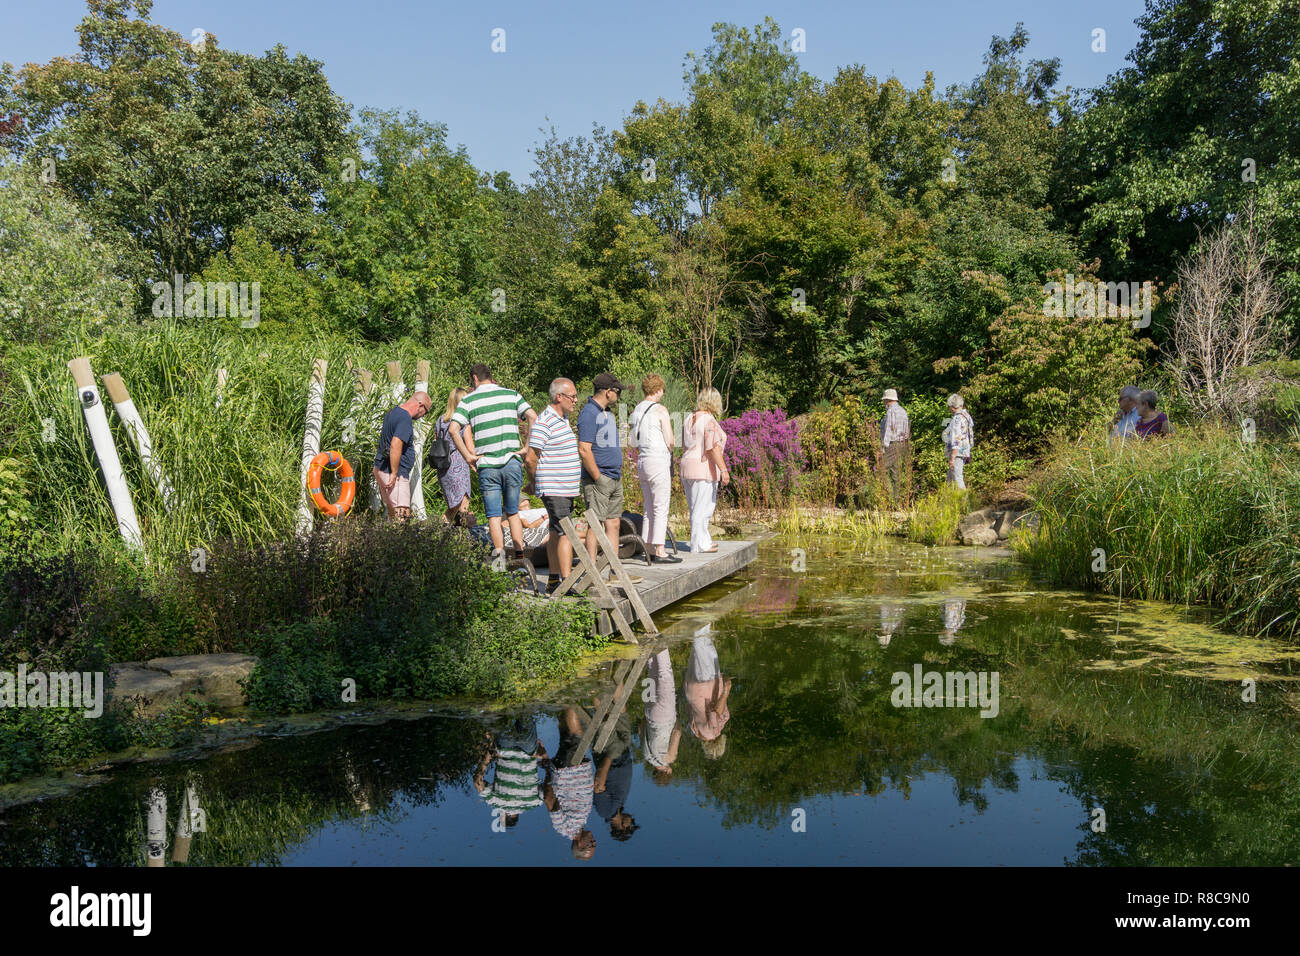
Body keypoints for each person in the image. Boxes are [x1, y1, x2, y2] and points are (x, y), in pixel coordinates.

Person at [448, 364, 538, 559]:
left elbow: (453, 429)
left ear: (475, 378)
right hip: (512, 461)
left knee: (494, 517)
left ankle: (500, 564)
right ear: (491, 376)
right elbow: (532, 416)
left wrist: (468, 456)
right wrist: (527, 447)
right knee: (513, 512)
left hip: (487, 465)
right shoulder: (511, 394)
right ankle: (520, 558)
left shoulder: (469, 400)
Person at [577, 373, 642, 586]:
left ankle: (616, 572)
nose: (619, 395)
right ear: (608, 392)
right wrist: (597, 477)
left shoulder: (607, 413)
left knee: (613, 523)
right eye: (617, 391)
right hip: (599, 479)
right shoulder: (589, 413)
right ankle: (592, 575)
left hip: (614, 477)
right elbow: (584, 450)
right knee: (596, 525)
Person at [524, 377, 582, 591]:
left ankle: (554, 580)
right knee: (566, 532)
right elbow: (531, 458)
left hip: (564, 487)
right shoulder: (545, 421)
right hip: (555, 487)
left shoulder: (563, 418)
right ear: (559, 397)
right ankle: (567, 583)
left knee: (557, 532)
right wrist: (535, 483)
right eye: (572, 396)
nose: (576, 400)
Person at [628, 374, 680, 563]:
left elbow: (632, 441)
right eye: (662, 390)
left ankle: (648, 547)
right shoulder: (660, 410)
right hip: (658, 460)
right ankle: (660, 550)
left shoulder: (636, 411)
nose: (662, 394)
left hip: (642, 460)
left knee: (648, 507)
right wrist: (671, 447)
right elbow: (671, 440)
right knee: (661, 506)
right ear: (658, 390)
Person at [542, 706, 597, 860]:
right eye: (594, 844)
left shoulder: (564, 828)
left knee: (576, 735)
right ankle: (561, 701)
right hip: (574, 769)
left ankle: (569, 698)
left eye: (590, 845)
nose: (594, 841)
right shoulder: (578, 825)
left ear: (579, 845)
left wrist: (548, 769)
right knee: (566, 735)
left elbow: (549, 799)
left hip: (568, 771)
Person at [680, 387, 730, 553]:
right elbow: (713, 448)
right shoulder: (709, 421)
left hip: (687, 466)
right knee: (703, 508)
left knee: (695, 507)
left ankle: (704, 540)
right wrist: (723, 470)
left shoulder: (688, 418)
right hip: (703, 469)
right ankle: (698, 545)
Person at [472, 718, 546, 827]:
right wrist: (489, 755)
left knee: (526, 712)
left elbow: (551, 787)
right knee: (503, 713)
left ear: (516, 816)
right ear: (503, 815)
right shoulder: (495, 802)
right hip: (505, 749)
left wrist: (544, 757)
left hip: (528, 750)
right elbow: (477, 782)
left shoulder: (534, 802)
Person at [373, 390, 432, 523]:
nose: (423, 416)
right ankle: (398, 544)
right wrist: (394, 473)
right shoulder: (405, 417)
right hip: (395, 473)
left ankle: (385, 542)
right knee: (402, 516)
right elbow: (395, 443)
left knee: (393, 515)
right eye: (426, 411)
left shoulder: (393, 412)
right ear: (420, 405)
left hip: (381, 467)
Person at [683, 625, 730, 759]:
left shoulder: (713, 732)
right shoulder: (696, 732)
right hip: (692, 689)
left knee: (704, 648)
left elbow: (714, 712)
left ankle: (703, 618)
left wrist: (726, 690)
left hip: (707, 687)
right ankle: (703, 621)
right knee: (699, 649)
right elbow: (689, 710)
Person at [641, 647, 681, 783]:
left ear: (668, 772)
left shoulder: (669, 758)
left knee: (665, 674)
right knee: (652, 671)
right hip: (649, 713)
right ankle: (648, 641)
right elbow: (641, 728)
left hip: (664, 716)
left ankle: (660, 640)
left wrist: (678, 723)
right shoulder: (647, 756)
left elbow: (677, 734)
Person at [434, 386, 473, 525]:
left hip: (444, 466)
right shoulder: (463, 423)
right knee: (463, 502)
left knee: (453, 504)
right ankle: (462, 537)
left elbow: (437, 441)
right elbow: (470, 448)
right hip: (459, 465)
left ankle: (443, 532)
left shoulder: (440, 421)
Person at [880, 388, 911, 505]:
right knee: (896, 473)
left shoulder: (891, 412)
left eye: (884, 401)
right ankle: (897, 501)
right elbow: (906, 430)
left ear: (887, 400)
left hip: (893, 444)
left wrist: (883, 448)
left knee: (880, 469)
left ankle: (881, 498)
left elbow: (888, 431)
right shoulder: (903, 411)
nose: (884, 403)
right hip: (903, 444)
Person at [943, 394, 975, 490]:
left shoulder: (957, 419)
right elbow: (970, 434)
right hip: (965, 450)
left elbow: (956, 438)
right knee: (950, 479)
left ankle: (965, 503)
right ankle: (950, 501)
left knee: (957, 478)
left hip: (958, 452)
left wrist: (953, 456)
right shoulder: (966, 416)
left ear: (952, 407)